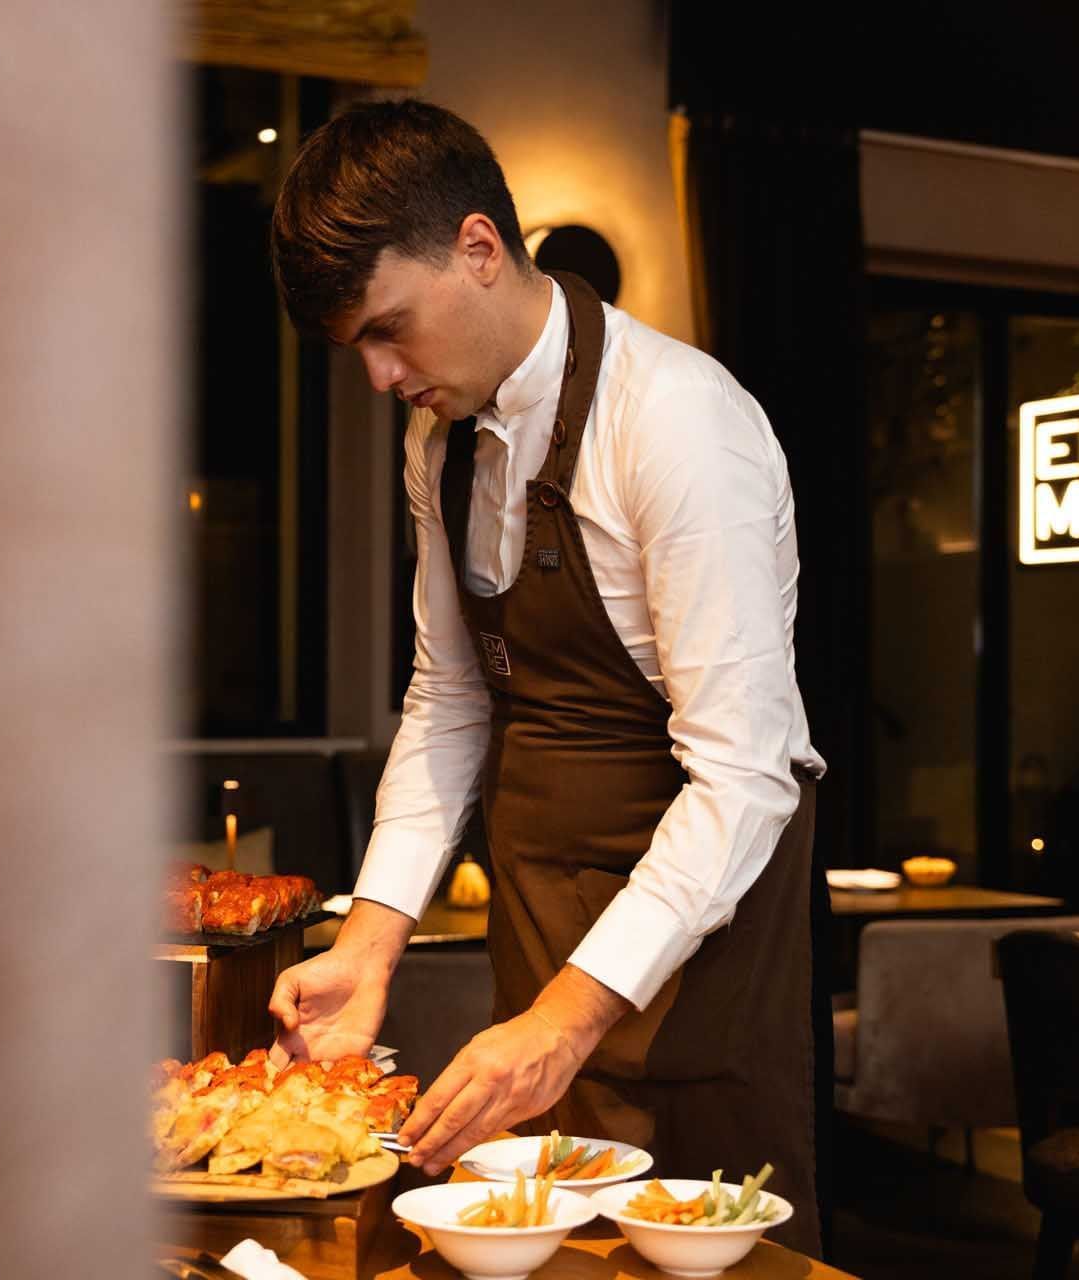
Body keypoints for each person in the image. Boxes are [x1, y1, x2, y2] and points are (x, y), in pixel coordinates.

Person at [266, 100, 826, 1256]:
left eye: (389, 330)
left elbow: (743, 771)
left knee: (700, 1240)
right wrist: (370, 941)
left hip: (693, 956)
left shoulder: (676, 424)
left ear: (476, 249)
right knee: (546, 1242)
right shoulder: (443, 437)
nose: (377, 378)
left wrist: (569, 1017)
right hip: (539, 928)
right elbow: (452, 693)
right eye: (355, 349)